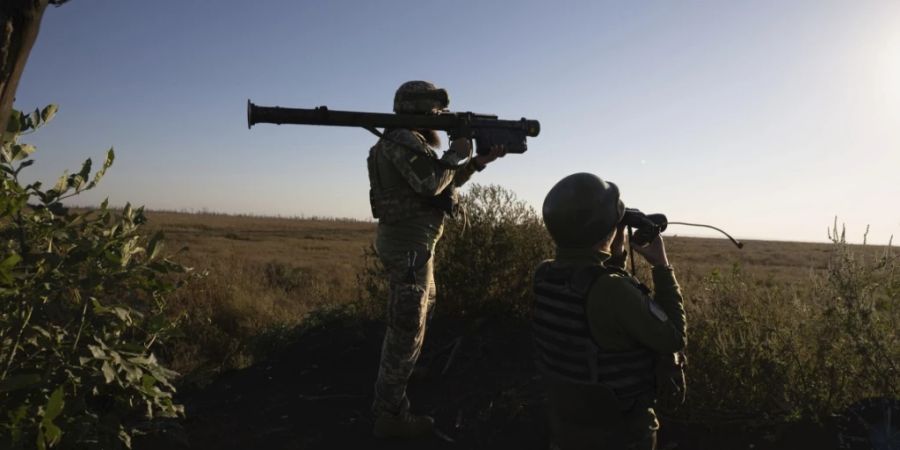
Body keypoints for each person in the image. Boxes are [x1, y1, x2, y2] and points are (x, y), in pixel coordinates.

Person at [368, 80, 505, 439]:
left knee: (419, 313)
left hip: (417, 245)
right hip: (408, 247)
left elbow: (440, 182)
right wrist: (457, 153)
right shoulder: (401, 140)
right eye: (436, 114)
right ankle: (390, 415)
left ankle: (404, 372)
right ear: (422, 112)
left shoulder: (408, 140)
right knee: (407, 326)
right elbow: (430, 184)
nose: (440, 120)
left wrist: (475, 162)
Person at [533, 173, 687, 450]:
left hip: (567, 423)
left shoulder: (543, 274)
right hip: (621, 431)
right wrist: (661, 267)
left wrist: (614, 254)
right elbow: (673, 337)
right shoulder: (612, 291)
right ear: (607, 229)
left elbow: (591, 298)